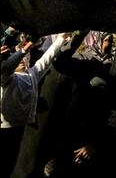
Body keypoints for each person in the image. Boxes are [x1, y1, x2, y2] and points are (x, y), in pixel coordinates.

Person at [1, 32, 67, 178]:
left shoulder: (32, 75)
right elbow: (6, 68)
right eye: (18, 61)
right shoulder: (6, 78)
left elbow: (47, 58)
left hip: (19, 129)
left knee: (11, 163)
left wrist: (62, 38)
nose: (22, 62)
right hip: (4, 129)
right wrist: (24, 50)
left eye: (24, 60)